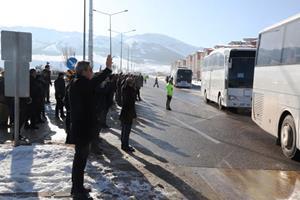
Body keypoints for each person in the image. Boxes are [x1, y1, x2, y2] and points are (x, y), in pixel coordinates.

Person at [69, 56, 112, 199]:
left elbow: (94, 87)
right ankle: (76, 189)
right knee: (79, 161)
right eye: (90, 70)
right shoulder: (79, 83)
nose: (92, 72)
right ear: (83, 72)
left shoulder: (81, 83)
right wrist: (107, 69)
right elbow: (95, 82)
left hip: (84, 129)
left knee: (81, 161)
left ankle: (78, 187)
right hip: (82, 129)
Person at [119, 77, 137, 152]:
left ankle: (123, 144)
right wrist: (134, 115)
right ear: (131, 83)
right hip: (128, 113)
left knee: (124, 130)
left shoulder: (124, 88)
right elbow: (131, 104)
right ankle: (125, 146)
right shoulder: (130, 90)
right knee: (127, 130)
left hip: (124, 112)